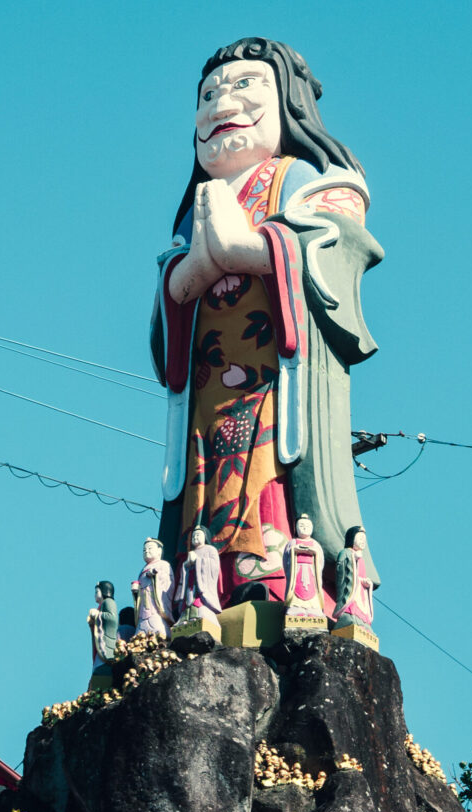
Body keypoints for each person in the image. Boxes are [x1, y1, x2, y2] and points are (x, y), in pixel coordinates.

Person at [151, 38, 383, 604]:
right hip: (207, 382)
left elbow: (337, 246)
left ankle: (274, 571)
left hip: (276, 377)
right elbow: (167, 309)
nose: (219, 102)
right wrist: (192, 271)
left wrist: (254, 248)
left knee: (270, 464)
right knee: (204, 480)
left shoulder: (305, 180)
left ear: (289, 103)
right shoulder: (197, 206)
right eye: (207, 95)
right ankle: (202, 581)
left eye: (243, 85)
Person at [175, 525, 222, 629]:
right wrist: (186, 564)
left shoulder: (210, 549)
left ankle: (198, 613)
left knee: (198, 601)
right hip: (190, 582)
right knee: (188, 599)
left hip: (201, 583)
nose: (195, 537)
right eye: (193, 536)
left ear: (205, 536)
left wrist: (198, 561)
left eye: (198, 535)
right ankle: (186, 616)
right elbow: (185, 568)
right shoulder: (191, 552)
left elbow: (214, 566)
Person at [281, 514, 327, 621]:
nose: (305, 528)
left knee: (312, 590)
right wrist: (294, 550)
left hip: (312, 571)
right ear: (296, 528)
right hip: (297, 571)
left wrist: (314, 552)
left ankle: (314, 610)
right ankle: (295, 608)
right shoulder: (292, 542)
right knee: (297, 589)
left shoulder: (315, 544)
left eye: (307, 526)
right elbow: (286, 559)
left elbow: (321, 561)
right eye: (301, 525)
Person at [333, 526, 375, 630]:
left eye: (364, 540)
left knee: (362, 608)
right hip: (351, 586)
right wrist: (352, 559)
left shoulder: (362, 559)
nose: (362, 541)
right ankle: (349, 616)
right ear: (352, 538)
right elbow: (340, 568)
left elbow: (361, 576)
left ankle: (363, 622)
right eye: (360, 538)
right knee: (352, 605)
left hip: (359, 589)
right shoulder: (346, 552)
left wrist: (366, 582)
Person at [130, 538, 174, 638]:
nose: (146, 551)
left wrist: (155, 576)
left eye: (150, 548)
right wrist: (136, 590)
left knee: (155, 620)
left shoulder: (164, 565)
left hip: (155, 604)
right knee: (142, 618)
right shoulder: (143, 569)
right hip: (144, 603)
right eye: (144, 550)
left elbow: (168, 583)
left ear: (159, 551)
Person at [87, 580, 119, 669]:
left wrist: (97, 614)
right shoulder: (101, 605)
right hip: (99, 646)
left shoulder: (109, 602)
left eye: (97, 592)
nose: (95, 595)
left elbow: (112, 618)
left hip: (107, 642)